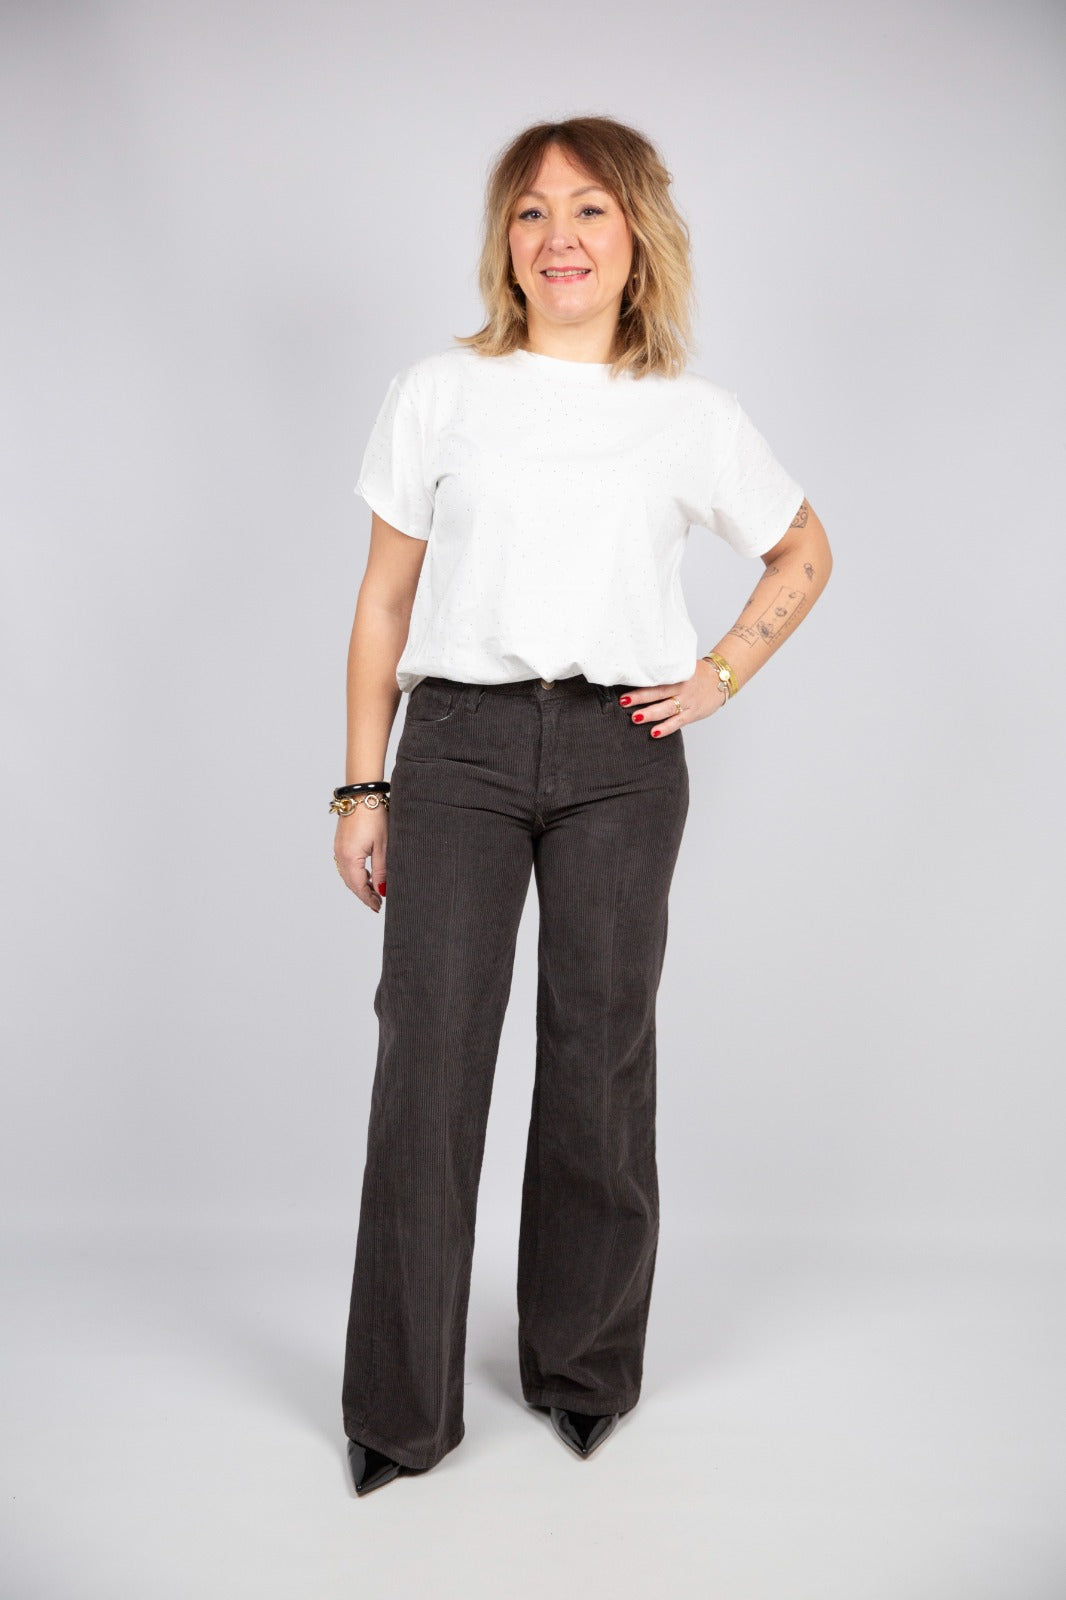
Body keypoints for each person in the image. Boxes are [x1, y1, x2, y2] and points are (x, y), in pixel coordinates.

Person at [331, 114, 832, 1496]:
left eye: (590, 210)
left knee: (600, 1058)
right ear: (505, 242)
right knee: (428, 1060)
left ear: (636, 238)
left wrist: (718, 672)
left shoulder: (691, 416)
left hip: (622, 755)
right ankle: (398, 1410)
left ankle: (582, 1371)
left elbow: (802, 549)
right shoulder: (439, 391)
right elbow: (383, 602)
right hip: (459, 749)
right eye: (532, 211)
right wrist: (363, 783)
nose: (560, 237)